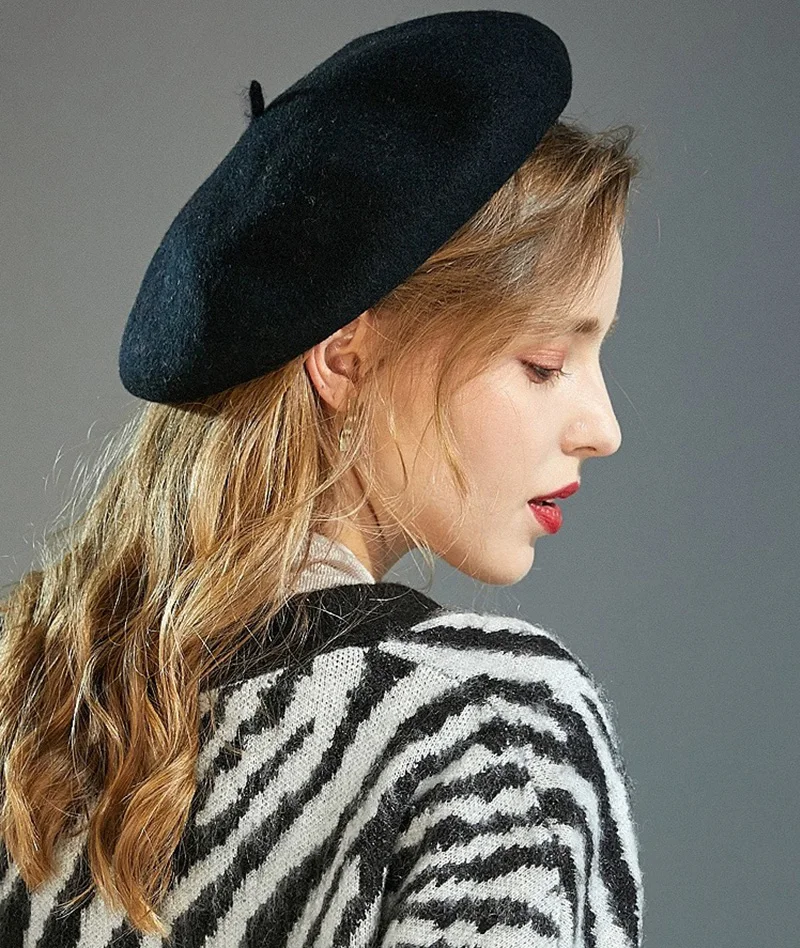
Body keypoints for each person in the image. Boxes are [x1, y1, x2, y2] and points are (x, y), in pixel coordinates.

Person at [0, 10, 645, 946]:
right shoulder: (491, 735)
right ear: (345, 358)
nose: (605, 430)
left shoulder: (32, 708)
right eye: (545, 364)